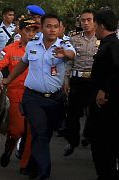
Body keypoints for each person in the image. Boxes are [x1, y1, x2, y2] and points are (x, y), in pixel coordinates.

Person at [3, 14, 76, 180]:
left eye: (56, 27)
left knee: (45, 135)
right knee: (40, 131)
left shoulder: (63, 44)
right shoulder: (32, 44)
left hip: (55, 99)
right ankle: (44, 173)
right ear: (42, 27)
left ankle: (32, 166)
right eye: (48, 26)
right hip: (33, 98)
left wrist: (64, 53)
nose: (52, 29)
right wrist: (8, 79)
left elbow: (72, 54)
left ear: (59, 29)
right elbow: (23, 63)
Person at [0, 18, 39, 175]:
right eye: (27, 30)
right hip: (15, 93)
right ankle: (9, 148)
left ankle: (25, 164)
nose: (31, 34)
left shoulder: (41, 49)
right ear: (20, 31)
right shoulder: (10, 49)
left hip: (34, 94)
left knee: (31, 132)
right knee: (17, 130)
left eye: (34, 31)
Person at [86, 9, 119, 180]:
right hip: (100, 106)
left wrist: (104, 89)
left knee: (104, 147)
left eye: (95, 24)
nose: (94, 28)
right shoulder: (107, 44)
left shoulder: (112, 45)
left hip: (107, 107)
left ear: (101, 25)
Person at [63, 9, 99, 156]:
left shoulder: (102, 39)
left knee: (94, 113)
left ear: (95, 21)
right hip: (77, 80)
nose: (86, 23)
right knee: (72, 114)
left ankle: (88, 135)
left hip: (94, 80)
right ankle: (72, 141)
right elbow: (69, 62)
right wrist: (66, 80)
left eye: (89, 20)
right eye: (83, 20)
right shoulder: (74, 39)